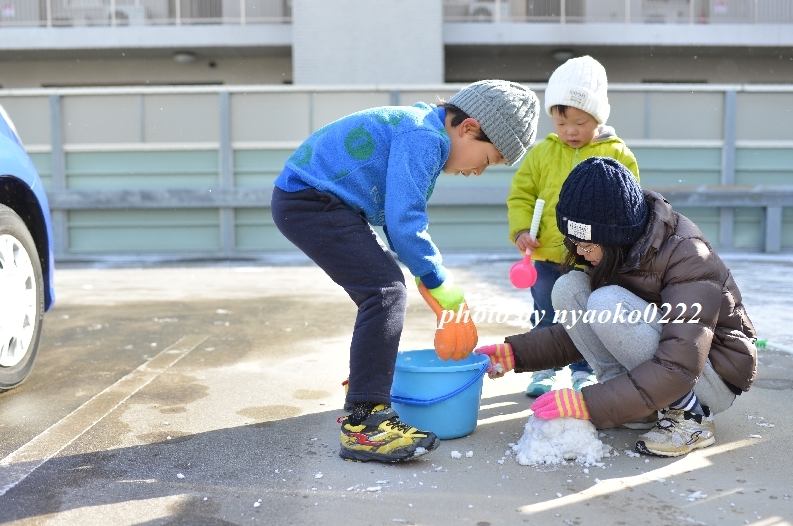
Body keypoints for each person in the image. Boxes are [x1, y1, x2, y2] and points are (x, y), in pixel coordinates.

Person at [272, 81, 540, 463]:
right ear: (468, 128)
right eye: (488, 158)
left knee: (383, 287)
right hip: (310, 200)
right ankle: (366, 423)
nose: (479, 171)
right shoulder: (425, 137)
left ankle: (370, 381)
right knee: (384, 292)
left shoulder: (422, 129)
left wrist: (424, 271)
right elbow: (403, 223)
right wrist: (436, 277)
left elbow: (400, 227)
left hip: (316, 200)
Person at [478, 157, 757, 457]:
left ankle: (690, 417)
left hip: (708, 375)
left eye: (587, 245)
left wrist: (590, 403)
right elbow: (588, 333)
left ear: (615, 237)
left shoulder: (687, 255)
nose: (581, 254)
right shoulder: (616, 250)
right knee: (569, 288)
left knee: (605, 301)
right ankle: (637, 409)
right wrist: (516, 354)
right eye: (573, 243)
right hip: (665, 366)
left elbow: (680, 362)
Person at [507, 55, 640, 398]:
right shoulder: (541, 154)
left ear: (598, 117)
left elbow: (631, 203)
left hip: (593, 259)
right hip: (547, 253)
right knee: (545, 313)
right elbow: (521, 195)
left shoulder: (617, 153)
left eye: (580, 122)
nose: (569, 131)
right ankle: (544, 369)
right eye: (561, 121)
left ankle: (586, 370)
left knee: (586, 316)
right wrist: (522, 230)